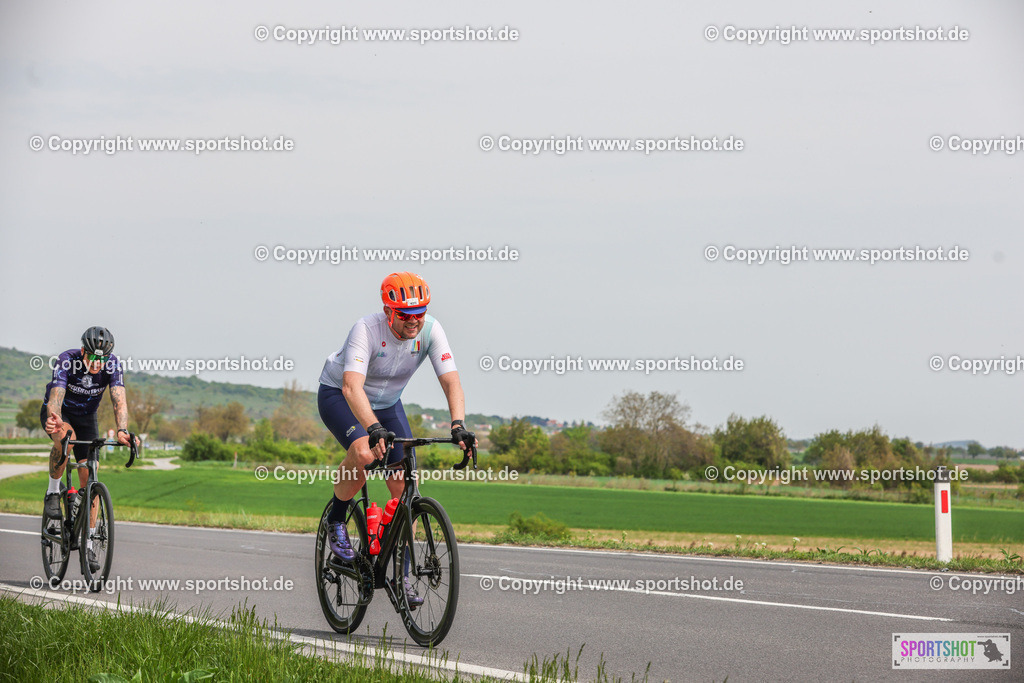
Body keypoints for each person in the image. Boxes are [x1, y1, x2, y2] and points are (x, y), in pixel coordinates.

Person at [318, 272, 475, 607]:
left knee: (403, 487)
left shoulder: (431, 330)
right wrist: (373, 428)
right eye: (405, 315)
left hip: (388, 404)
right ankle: (337, 519)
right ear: (388, 311)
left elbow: (451, 381)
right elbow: (351, 387)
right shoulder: (366, 329)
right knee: (364, 452)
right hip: (340, 397)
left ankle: (399, 573)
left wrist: (458, 424)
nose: (414, 321)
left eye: (420, 313)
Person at [41, 326, 135, 572]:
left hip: (87, 417)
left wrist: (122, 430)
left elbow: (119, 400)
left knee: (90, 475)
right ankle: (53, 492)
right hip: (60, 414)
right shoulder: (67, 359)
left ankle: (89, 542)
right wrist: (54, 417)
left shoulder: (112, 365)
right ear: (83, 351)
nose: (97, 363)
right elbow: (56, 395)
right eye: (92, 356)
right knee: (66, 439)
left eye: (102, 358)